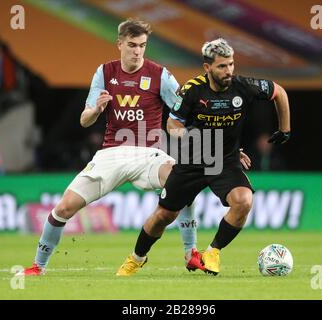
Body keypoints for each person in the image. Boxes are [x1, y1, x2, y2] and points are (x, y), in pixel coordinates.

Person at [19, 18, 206, 276]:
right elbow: (85, 120)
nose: (138, 51)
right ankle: (38, 267)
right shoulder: (105, 73)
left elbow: (185, 110)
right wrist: (96, 109)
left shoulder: (160, 75)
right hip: (111, 154)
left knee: (183, 181)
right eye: (132, 45)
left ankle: (191, 253)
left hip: (148, 154)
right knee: (63, 208)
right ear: (119, 44)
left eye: (142, 45)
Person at [116, 38, 291, 276]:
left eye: (230, 64)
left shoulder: (243, 86)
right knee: (164, 216)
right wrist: (192, 138)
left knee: (244, 201)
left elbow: (278, 91)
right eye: (221, 66)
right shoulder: (192, 90)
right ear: (207, 67)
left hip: (224, 162)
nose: (228, 70)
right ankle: (136, 259)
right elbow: (172, 122)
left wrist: (285, 129)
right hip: (191, 163)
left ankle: (212, 252)